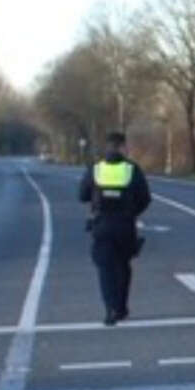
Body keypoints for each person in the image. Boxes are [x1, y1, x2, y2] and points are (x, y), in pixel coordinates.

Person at [79, 131, 151, 326]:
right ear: (121, 147)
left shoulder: (96, 169)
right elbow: (145, 198)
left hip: (102, 225)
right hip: (125, 226)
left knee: (105, 268)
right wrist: (132, 212)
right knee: (123, 266)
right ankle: (121, 307)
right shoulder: (132, 169)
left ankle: (111, 308)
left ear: (107, 147)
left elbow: (82, 195)